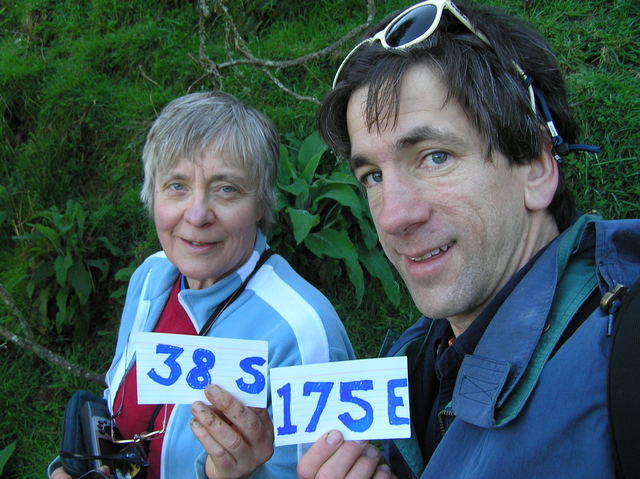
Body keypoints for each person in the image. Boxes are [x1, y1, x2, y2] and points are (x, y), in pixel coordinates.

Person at [297, 1, 640, 478]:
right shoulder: (418, 364)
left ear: (537, 167)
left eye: (435, 157)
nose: (394, 217)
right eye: (373, 175)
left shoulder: (625, 354)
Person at [47, 91, 354, 479]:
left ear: (260, 203)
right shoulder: (152, 276)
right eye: (176, 185)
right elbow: (117, 404)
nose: (197, 214)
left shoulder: (307, 333)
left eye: (226, 188)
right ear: (151, 195)